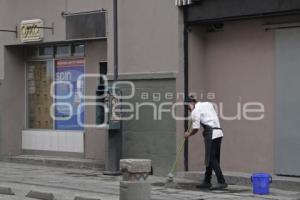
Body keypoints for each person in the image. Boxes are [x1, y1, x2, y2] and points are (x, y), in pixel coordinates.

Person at [184, 96, 228, 190]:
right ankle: (207, 181)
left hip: (211, 133)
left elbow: (196, 128)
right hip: (219, 133)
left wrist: (189, 134)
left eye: (188, 107)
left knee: (211, 158)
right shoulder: (208, 104)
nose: (188, 110)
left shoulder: (195, 111)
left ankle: (222, 181)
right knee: (212, 158)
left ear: (190, 104)